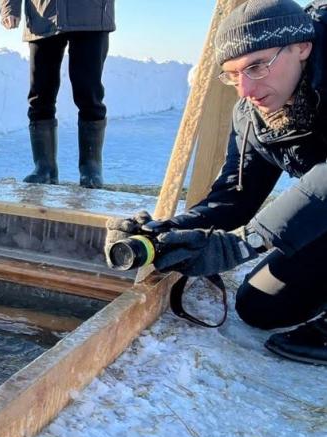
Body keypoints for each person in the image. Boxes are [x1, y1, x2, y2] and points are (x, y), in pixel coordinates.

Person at [105, 0, 327, 366]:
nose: (245, 89)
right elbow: (234, 197)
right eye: (233, 74)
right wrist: (165, 233)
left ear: (302, 47)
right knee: (262, 306)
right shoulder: (254, 113)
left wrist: (247, 243)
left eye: (257, 66)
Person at [0, 0, 115, 188]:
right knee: (40, 95)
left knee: (89, 93)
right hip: (42, 15)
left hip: (91, 14)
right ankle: (44, 168)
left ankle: (91, 169)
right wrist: (9, 7)